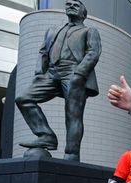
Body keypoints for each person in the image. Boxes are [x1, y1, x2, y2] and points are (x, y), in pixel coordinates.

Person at [15, 0, 101, 161]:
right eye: (68, 4)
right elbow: (43, 52)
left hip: (73, 71)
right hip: (52, 72)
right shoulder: (52, 30)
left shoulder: (89, 31)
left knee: (73, 115)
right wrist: (39, 72)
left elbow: (93, 53)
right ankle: (46, 135)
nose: (71, 6)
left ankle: (71, 154)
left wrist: (79, 74)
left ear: (84, 13)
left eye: (76, 5)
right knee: (23, 99)